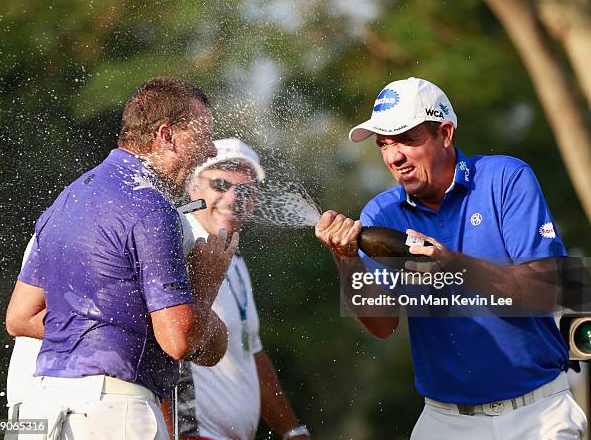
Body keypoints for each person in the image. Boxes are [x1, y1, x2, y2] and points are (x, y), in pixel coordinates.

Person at [315, 77, 588, 439]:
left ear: (445, 134)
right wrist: (346, 260)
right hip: (445, 421)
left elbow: (549, 290)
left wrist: (455, 266)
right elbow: (383, 326)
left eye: (407, 140)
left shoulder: (506, 179)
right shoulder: (380, 214)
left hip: (537, 412)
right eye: (384, 144)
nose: (394, 157)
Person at [5, 77, 235, 439]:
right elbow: (178, 341)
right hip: (114, 412)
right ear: (166, 136)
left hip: (44, 408)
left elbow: (22, 314)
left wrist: (106, 325)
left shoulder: (68, 199)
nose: (209, 152)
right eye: (203, 136)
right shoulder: (153, 208)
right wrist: (206, 281)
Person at [166, 138, 310, 440]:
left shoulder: (233, 253)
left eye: (244, 190)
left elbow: (251, 352)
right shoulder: (177, 242)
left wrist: (292, 430)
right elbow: (154, 347)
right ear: (194, 188)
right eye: (220, 184)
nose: (232, 198)